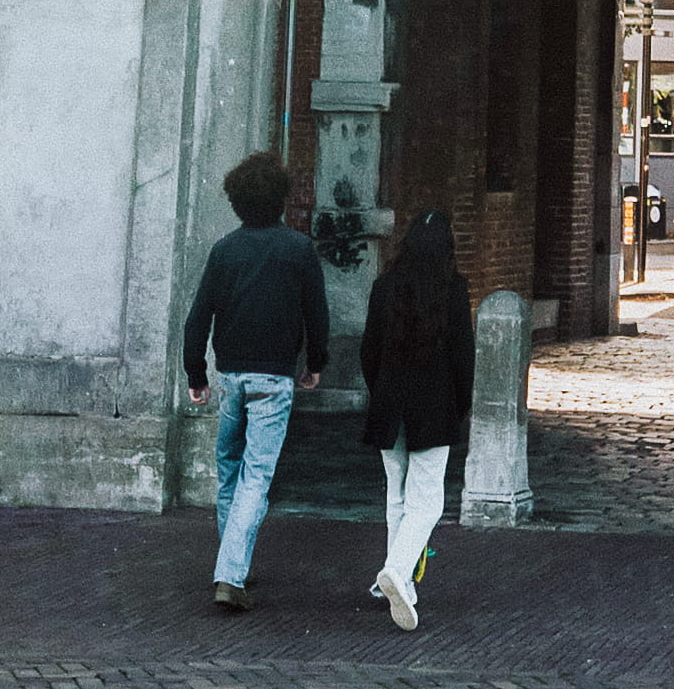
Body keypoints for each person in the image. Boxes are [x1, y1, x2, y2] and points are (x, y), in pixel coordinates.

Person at [179, 151, 328, 614]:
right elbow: (316, 315)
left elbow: (197, 318)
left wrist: (196, 374)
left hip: (232, 376)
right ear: (280, 198)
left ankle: (233, 558)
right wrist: (315, 362)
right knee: (256, 475)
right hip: (274, 378)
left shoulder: (225, 250)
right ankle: (230, 572)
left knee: (229, 467)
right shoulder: (299, 250)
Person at [357, 206, 476, 632]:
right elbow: (464, 356)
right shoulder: (453, 289)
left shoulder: (384, 285)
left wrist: (379, 391)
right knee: (428, 500)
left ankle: (399, 578)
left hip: (390, 401)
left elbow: (368, 349)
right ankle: (396, 571)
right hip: (434, 404)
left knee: (398, 497)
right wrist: (462, 404)